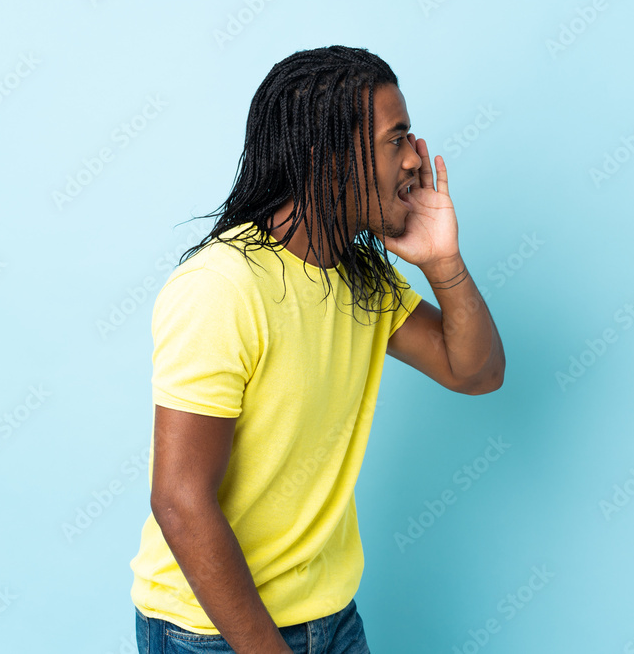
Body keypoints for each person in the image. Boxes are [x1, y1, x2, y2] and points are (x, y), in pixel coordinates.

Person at [129, 44, 505, 654]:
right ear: (326, 159)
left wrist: (444, 263)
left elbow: (478, 373)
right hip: (213, 632)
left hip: (331, 619)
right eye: (397, 137)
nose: (416, 157)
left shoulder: (361, 276)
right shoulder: (222, 288)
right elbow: (180, 499)